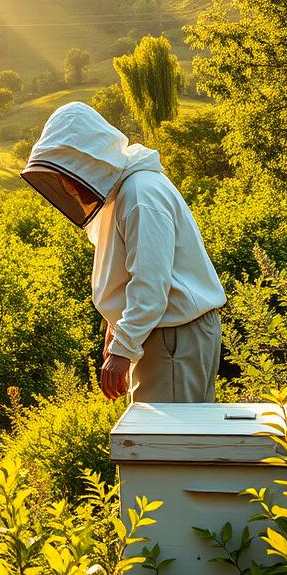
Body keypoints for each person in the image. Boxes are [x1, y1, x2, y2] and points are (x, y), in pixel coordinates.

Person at [21, 102, 226, 403]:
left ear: (88, 160)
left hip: (173, 335)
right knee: (159, 443)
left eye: (69, 173)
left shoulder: (140, 194)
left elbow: (152, 285)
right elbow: (130, 275)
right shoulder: (129, 190)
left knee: (165, 444)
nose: (69, 187)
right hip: (165, 333)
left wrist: (123, 348)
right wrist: (116, 330)